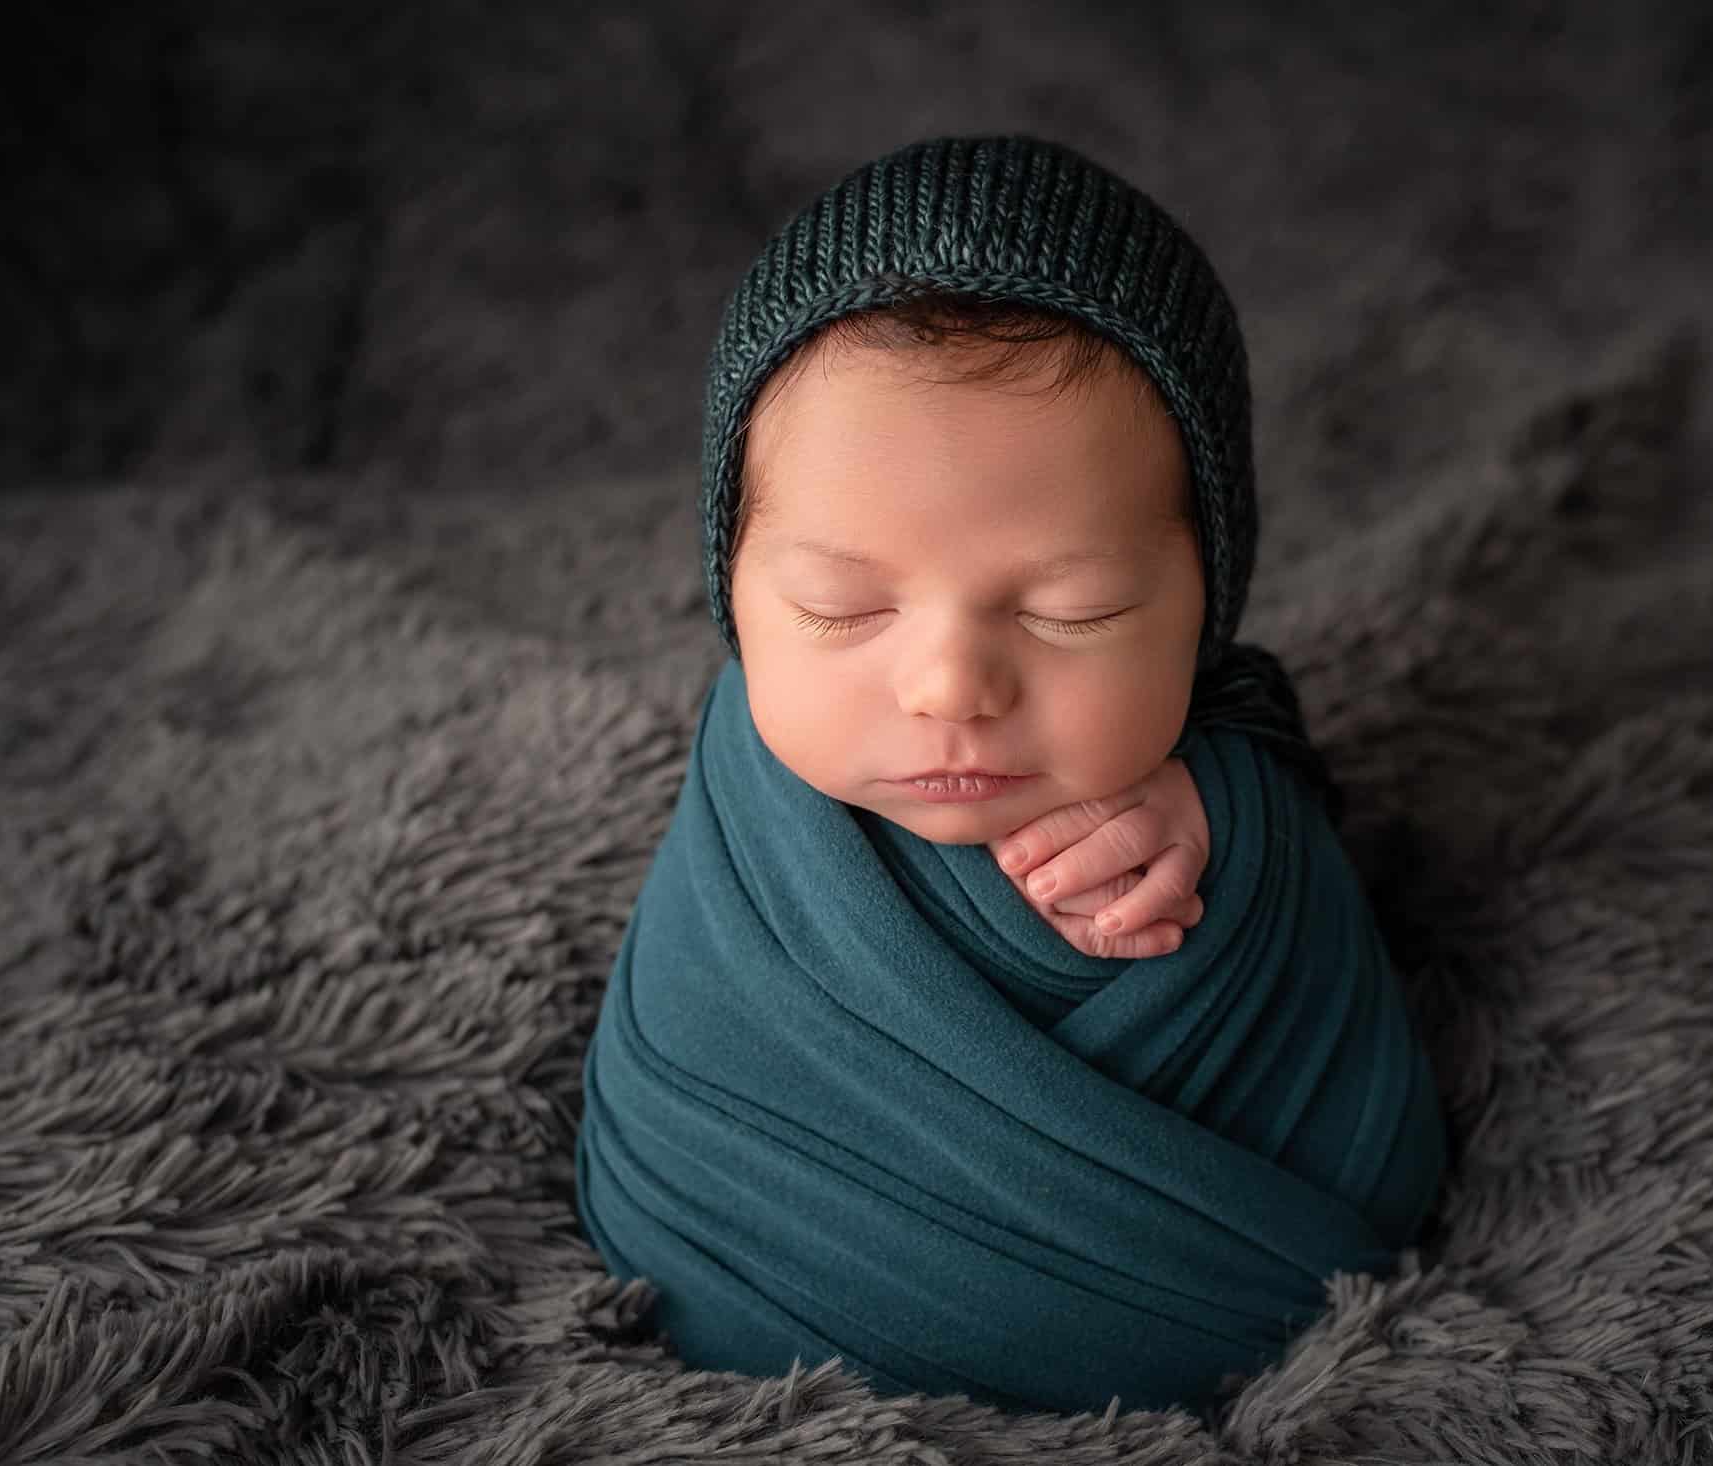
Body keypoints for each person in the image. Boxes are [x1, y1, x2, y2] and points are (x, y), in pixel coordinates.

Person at [576, 134, 1445, 1419]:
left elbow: (1334, 1047)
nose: (949, 686)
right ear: (736, 592)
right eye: (840, 607)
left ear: (1202, 607)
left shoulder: (1232, 786)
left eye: (1073, 611)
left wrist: (1236, 810)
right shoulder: (746, 809)